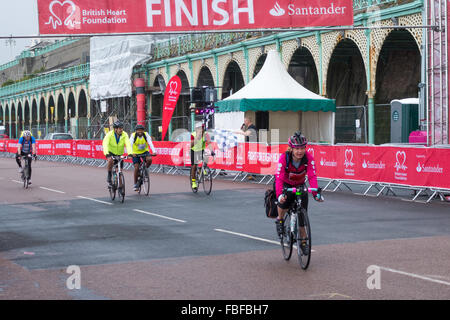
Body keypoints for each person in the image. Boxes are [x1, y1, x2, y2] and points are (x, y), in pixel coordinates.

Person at [274, 131, 323, 254]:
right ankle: (280, 220)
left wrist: (315, 193)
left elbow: (312, 175)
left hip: (299, 184)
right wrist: (280, 195)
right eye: (297, 149)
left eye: (302, 148)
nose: (300, 151)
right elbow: (279, 177)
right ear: (291, 148)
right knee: (284, 202)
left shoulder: (308, 158)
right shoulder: (284, 158)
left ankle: (303, 241)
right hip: (285, 184)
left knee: (302, 213)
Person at [102, 120, 132, 187]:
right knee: (110, 161)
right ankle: (109, 175)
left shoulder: (125, 134)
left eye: (122, 128)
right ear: (115, 129)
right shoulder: (109, 134)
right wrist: (107, 154)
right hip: (111, 153)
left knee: (119, 171)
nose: (121, 130)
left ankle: (120, 187)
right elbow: (105, 144)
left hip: (119, 154)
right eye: (120, 128)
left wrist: (130, 153)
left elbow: (128, 144)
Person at [130, 125, 157, 191]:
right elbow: (130, 144)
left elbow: (150, 143)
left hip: (145, 152)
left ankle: (145, 169)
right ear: (136, 131)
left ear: (143, 130)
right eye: (138, 130)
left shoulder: (146, 134)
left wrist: (154, 151)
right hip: (135, 153)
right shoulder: (133, 135)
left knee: (149, 159)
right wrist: (131, 153)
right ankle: (136, 184)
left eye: (141, 130)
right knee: (136, 167)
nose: (140, 131)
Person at [190, 122, 215, 190]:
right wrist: (197, 138)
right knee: (194, 166)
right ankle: (194, 182)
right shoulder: (193, 134)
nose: (203, 129)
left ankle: (203, 169)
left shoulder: (206, 134)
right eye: (201, 128)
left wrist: (212, 151)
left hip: (201, 150)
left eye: (203, 127)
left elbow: (209, 143)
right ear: (197, 129)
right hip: (194, 150)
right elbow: (191, 145)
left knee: (206, 157)